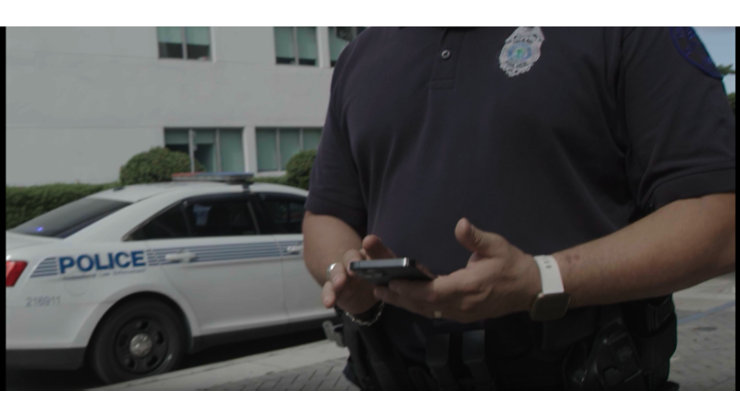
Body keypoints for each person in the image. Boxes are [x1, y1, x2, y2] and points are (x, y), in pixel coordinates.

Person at [302, 27, 735, 390]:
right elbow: (327, 215)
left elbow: (716, 216)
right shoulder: (361, 56)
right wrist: (349, 274)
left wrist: (540, 279)